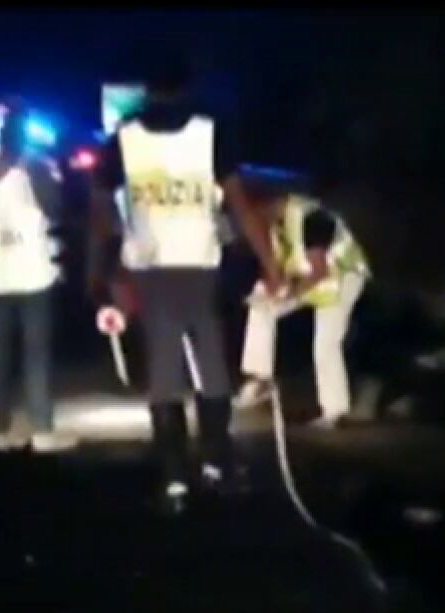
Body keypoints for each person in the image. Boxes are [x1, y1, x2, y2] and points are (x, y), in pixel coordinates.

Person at [87, 53, 282, 516]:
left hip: (149, 264)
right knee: (211, 358)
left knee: (164, 364)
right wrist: (269, 263)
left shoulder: (123, 140)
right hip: (198, 261)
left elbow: (100, 211)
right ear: (188, 86)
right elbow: (240, 206)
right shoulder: (209, 133)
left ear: (147, 89)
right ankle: (218, 461)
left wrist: (97, 269)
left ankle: (173, 473)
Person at [0, 104, 77, 453]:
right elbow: (55, 209)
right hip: (34, 272)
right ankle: (42, 430)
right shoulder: (31, 171)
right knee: (36, 354)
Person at [235, 189, 371, 428]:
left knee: (326, 344)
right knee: (261, 304)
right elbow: (280, 267)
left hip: (343, 277)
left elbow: (320, 270)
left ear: (268, 205)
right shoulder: (275, 225)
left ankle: (334, 410)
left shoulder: (312, 217)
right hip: (314, 281)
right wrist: (272, 289)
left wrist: (288, 295)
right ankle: (261, 379)